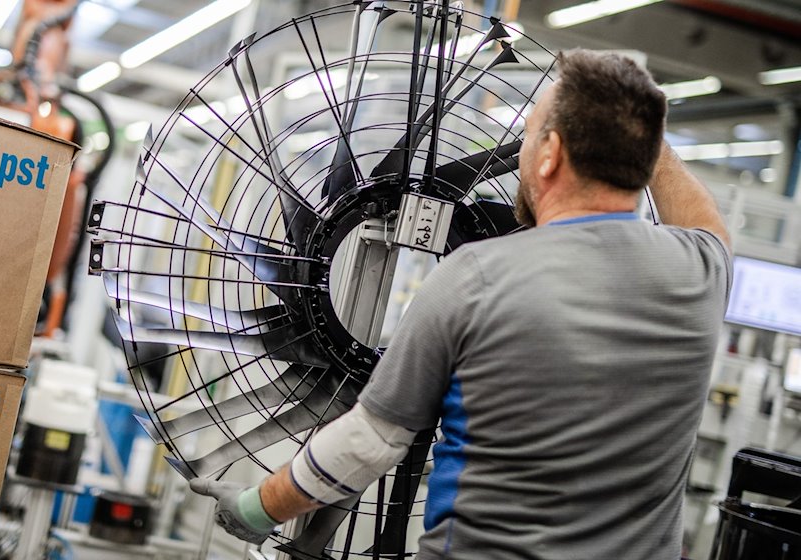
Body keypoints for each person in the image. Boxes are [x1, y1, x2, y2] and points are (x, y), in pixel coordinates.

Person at [189, 49, 731, 559]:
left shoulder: (477, 277)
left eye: (526, 136)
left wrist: (256, 507)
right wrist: (631, 126)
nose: (519, 151)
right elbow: (707, 224)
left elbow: (370, 441)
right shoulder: (702, 272)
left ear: (550, 155)